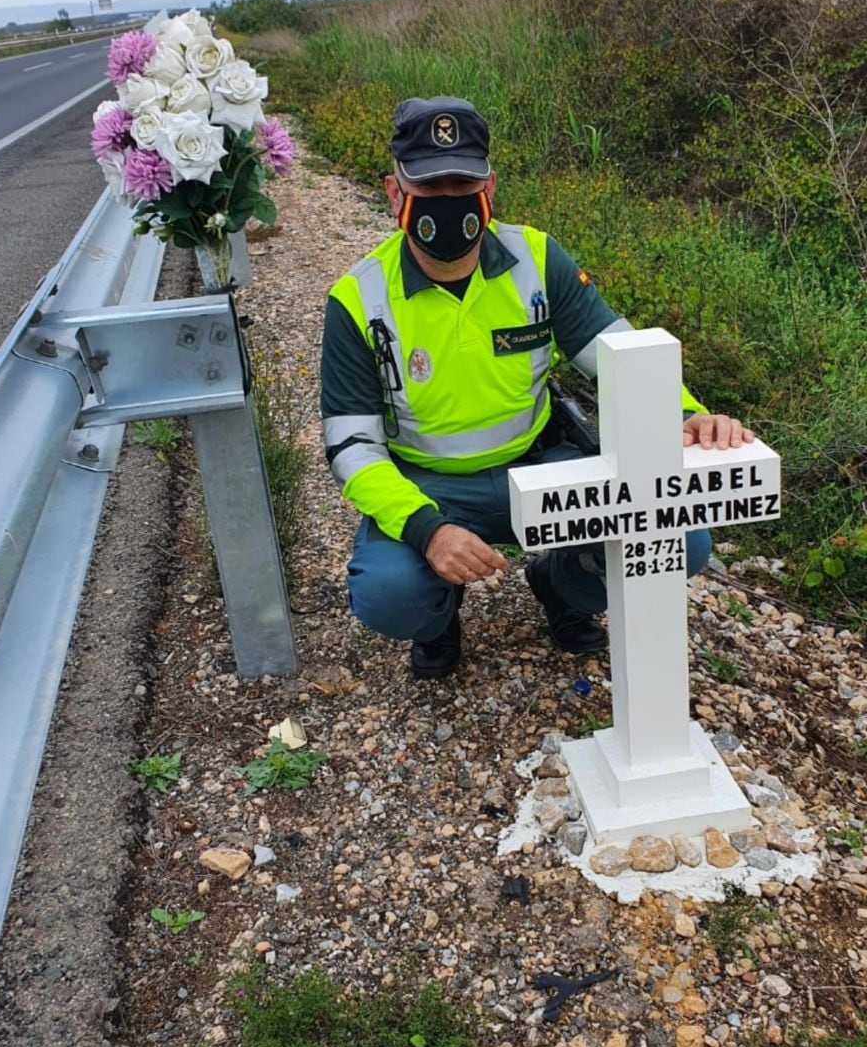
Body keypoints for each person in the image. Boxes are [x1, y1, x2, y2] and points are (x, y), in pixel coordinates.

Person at [320, 96, 753, 679]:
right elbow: (353, 450)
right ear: (393, 192)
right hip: (430, 483)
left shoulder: (537, 258)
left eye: (462, 183)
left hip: (542, 465)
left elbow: (618, 352)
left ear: (490, 188)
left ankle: (561, 588)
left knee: (680, 541)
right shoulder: (356, 299)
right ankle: (438, 612)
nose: (448, 201)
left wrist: (690, 412)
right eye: (429, 186)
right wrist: (428, 530)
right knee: (389, 594)